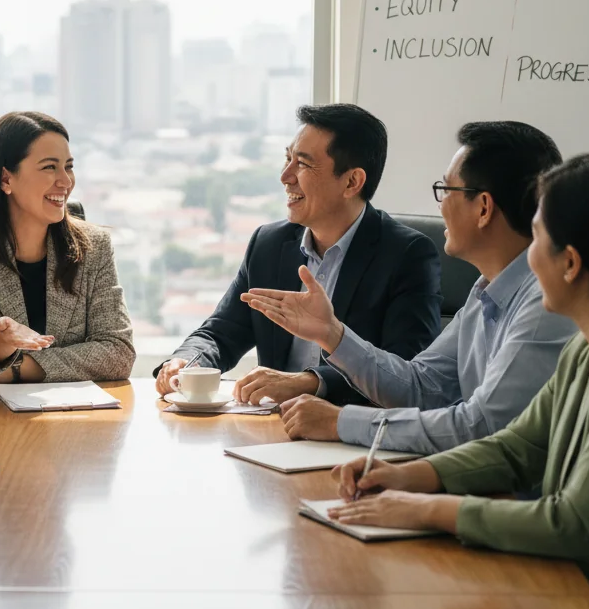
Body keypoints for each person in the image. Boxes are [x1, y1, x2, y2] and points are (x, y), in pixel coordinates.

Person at [328, 153, 589, 609]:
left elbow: (578, 526)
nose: (528, 256)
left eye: (539, 238)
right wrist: (411, 477)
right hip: (562, 589)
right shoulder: (584, 351)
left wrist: (428, 510)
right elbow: (517, 446)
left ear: (570, 263)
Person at [250, 122, 576, 452]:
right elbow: (420, 387)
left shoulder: (544, 306)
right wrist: (332, 333)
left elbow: (481, 427)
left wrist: (340, 421)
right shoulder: (484, 294)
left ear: (483, 208)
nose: (441, 204)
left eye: (447, 190)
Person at [155, 104, 442, 406]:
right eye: (287, 159)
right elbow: (221, 333)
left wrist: (309, 383)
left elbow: (406, 372)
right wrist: (188, 361)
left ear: (351, 182)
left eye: (303, 164)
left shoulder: (407, 255)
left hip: (349, 432)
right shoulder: (268, 244)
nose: (285, 176)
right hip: (273, 430)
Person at [0, 112, 135, 386]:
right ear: (5, 179)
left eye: (68, 166)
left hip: (71, 417)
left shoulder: (94, 247)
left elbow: (118, 352)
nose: (65, 181)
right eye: (50, 167)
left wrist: (17, 369)